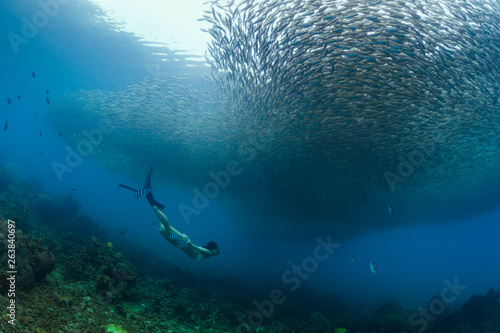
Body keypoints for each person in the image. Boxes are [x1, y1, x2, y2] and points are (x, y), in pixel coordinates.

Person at [144, 168, 219, 260]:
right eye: (216, 249)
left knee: (162, 229)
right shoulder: (208, 253)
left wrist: (189, 245)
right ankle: (154, 206)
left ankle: (159, 209)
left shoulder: (207, 254)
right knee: (167, 226)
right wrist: (190, 244)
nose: (217, 252)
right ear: (212, 249)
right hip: (183, 241)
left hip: (180, 244)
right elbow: (199, 249)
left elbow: (199, 250)